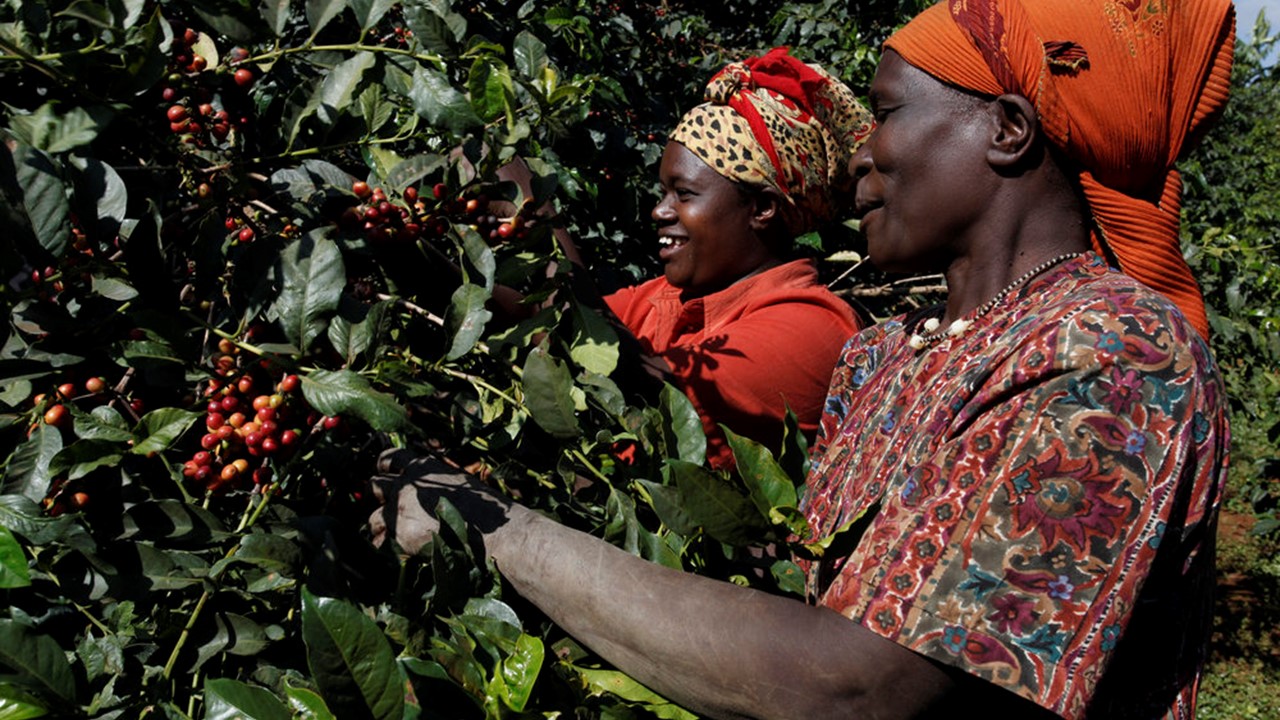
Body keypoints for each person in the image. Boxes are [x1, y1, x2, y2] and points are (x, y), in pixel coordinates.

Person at [369, 0, 1234, 717]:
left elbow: (872, 688)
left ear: (1007, 131)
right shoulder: (883, 359)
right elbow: (796, 597)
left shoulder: (1112, 354)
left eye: (888, 112)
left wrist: (497, 530)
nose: (858, 151)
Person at [509, 47, 871, 469]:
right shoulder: (662, 297)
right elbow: (528, 318)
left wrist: (540, 227)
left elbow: (646, 400)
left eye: (684, 194)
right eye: (664, 192)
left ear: (761, 209)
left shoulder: (814, 327)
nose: (660, 211)